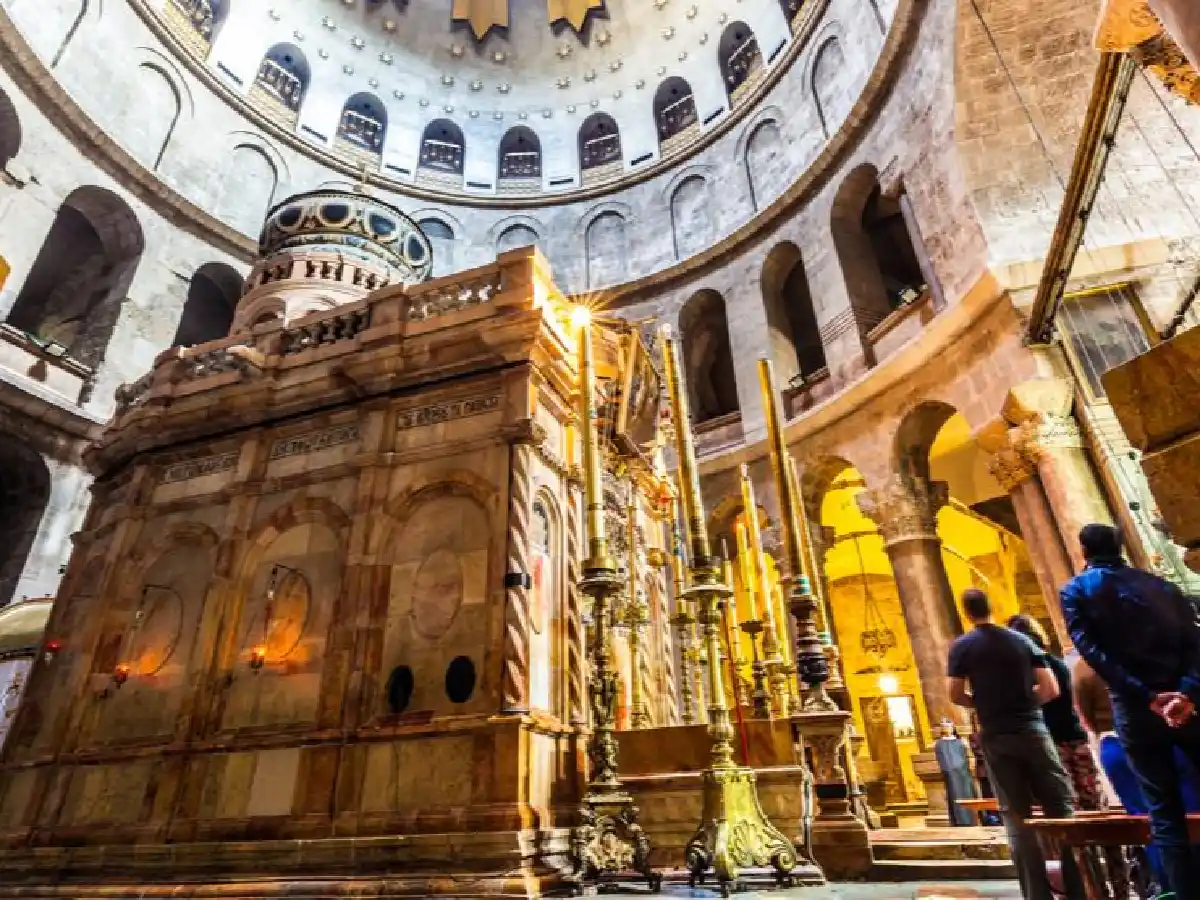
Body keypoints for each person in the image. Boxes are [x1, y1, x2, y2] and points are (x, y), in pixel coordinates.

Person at [1062, 523, 1200, 900]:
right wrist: (1185, 693)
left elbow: (1093, 652)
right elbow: (1194, 643)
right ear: (1121, 546)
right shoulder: (1163, 587)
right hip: (1186, 708)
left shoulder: (1076, 591)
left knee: (1164, 813)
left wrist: (1144, 696)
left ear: (1083, 550)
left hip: (1138, 713)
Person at [948, 588, 1082, 900]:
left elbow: (954, 693)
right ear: (991, 607)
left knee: (1016, 817)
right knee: (1061, 810)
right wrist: (1026, 704)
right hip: (1033, 729)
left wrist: (983, 706)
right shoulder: (1021, 640)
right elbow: (1050, 687)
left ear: (966, 612)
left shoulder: (963, 647)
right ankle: (1078, 888)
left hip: (996, 734)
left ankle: (1036, 894)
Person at [1006, 615, 1106, 812]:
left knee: (1065, 799)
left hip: (1050, 739)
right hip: (1075, 735)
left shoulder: (1030, 669)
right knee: (1090, 794)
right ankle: (1104, 841)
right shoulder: (1058, 663)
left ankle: (1081, 841)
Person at [934, 719, 978, 826]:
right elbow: (942, 760)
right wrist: (949, 771)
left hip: (964, 774)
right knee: (955, 797)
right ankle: (960, 821)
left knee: (968, 795)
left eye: (949, 726)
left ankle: (972, 820)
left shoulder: (961, 742)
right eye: (944, 727)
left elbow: (967, 757)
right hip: (952, 775)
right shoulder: (939, 744)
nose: (947, 728)